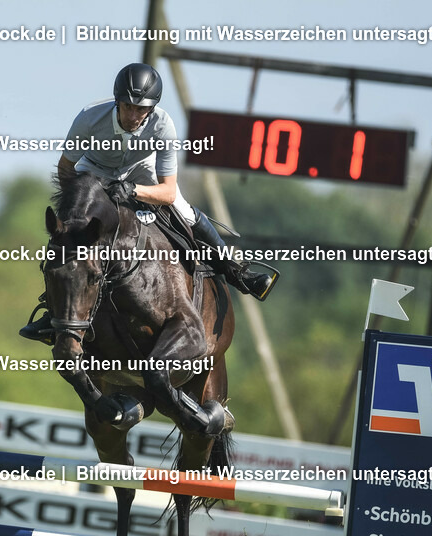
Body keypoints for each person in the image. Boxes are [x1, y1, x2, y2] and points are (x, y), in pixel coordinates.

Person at [20, 63, 273, 344]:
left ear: (151, 109)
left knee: (185, 212)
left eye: (141, 109)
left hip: (141, 173)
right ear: (118, 102)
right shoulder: (89, 118)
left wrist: (134, 190)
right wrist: (75, 208)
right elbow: (66, 168)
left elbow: (166, 191)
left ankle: (238, 272)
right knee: (67, 231)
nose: (133, 115)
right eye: (128, 106)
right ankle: (50, 309)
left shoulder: (163, 124)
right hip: (95, 170)